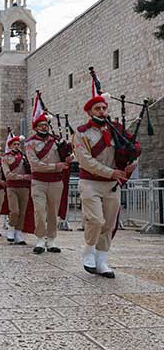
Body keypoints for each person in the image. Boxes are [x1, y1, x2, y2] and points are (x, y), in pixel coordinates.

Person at [75, 93, 137, 278]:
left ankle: (102, 261)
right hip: (90, 182)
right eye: (97, 109)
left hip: (112, 184)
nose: (102, 112)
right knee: (95, 220)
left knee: (108, 224)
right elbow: (85, 160)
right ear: (89, 111)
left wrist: (132, 162)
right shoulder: (81, 132)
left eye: (104, 108)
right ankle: (88, 252)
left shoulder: (116, 129)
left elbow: (133, 147)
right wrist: (111, 172)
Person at [26, 113, 70, 254]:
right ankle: (40, 238)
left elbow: (67, 158)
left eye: (45, 125)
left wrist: (69, 154)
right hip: (39, 181)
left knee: (53, 212)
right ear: (36, 127)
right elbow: (35, 164)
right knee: (39, 211)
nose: (44, 127)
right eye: (41, 125)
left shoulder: (56, 140)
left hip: (56, 181)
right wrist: (55, 166)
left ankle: (51, 240)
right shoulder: (30, 143)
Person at [2, 135, 32, 245]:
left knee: (23, 212)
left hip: (24, 187)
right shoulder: (5, 158)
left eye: (18, 144)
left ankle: (18, 233)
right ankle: (11, 229)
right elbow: (7, 174)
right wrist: (22, 177)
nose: (16, 146)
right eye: (14, 144)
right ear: (10, 146)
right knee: (14, 211)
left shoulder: (24, 156)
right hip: (12, 187)